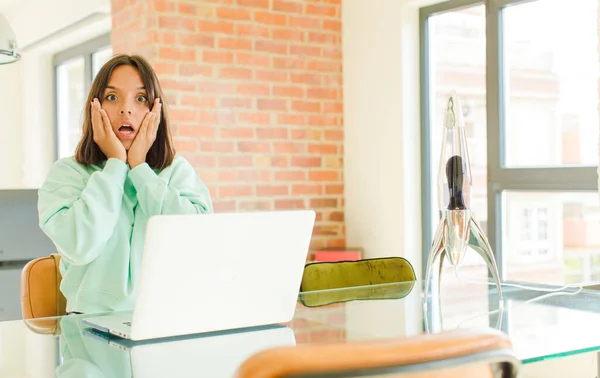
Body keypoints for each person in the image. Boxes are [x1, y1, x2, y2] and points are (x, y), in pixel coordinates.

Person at [38, 54, 213, 314]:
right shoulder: (67, 173)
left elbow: (198, 243)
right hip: (90, 331)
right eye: (112, 97)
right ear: (94, 108)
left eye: (140, 98)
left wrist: (140, 168)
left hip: (169, 321)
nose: (125, 109)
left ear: (156, 110)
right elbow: (80, 245)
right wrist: (116, 164)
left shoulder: (176, 171)